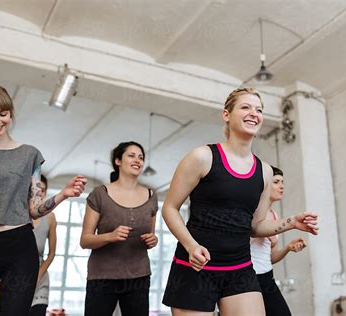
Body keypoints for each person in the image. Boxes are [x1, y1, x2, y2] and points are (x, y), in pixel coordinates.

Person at [161, 87, 319, 316]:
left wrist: (292, 221)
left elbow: (255, 227)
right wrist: (191, 245)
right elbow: (170, 208)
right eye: (245, 107)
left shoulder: (264, 171)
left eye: (259, 110)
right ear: (227, 114)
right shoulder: (202, 157)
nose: (254, 113)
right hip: (196, 266)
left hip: (240, 268)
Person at [0, 85, 87, 316]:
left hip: (18, 246)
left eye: (3, 113)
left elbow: (34, 209)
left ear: (10, 114)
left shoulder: (29, 155)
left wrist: (63, 195)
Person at [80, 141, 159, 316]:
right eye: (131, 155)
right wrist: (110, 236)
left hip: (139, 276)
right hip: (102, 277)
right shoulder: (100, 194)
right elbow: (85, 240)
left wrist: (153, 240)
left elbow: (150, 236)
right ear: (118, 161)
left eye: (141, 157)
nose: (137, 160)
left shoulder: (151, 196)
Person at [0, 174, 58, 316]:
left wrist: (36, 277)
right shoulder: (15, 216)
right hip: (14, 277)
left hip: (39, 282)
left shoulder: (50, 218)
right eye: (35, 189)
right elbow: (4, 252)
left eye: (43, 189)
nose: (39, 193)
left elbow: (52, 253)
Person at [251, 166, 307, 316]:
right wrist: (258, 231)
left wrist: (288, 248)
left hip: (267, 278)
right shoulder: (252, 213)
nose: (282, 186)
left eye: (282, 182)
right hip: (249, 280)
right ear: (265, 185)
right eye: (276, 182)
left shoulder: (274, 215)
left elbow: (268, 258)